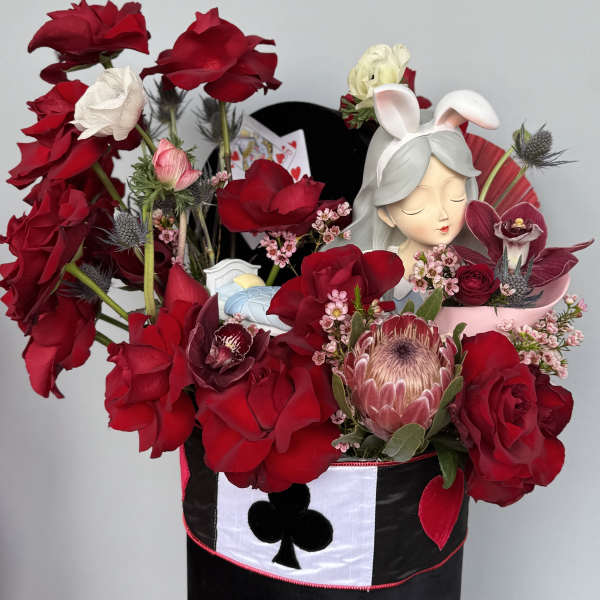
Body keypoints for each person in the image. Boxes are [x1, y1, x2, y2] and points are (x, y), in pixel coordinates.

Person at [333, 84, 499, 306]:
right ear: (385, 213)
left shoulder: (473, 273)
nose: (442, 213)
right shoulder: (369, 271)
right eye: (419, 203)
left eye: (455, 196)